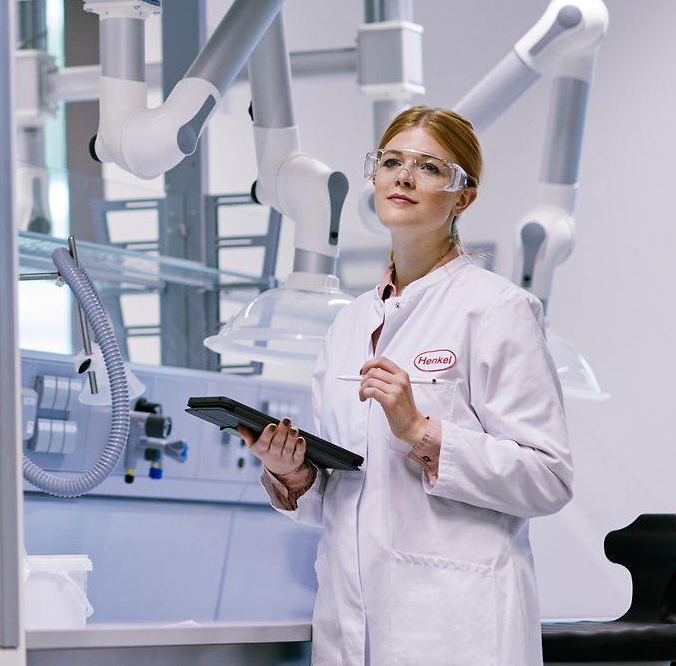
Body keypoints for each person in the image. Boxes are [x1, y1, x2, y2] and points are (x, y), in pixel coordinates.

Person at [238, 105, 574, 665]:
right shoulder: (348, 324)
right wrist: (294, 474)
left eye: (429, 167)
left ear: (462, 197)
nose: (405, 177)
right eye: (392, 161)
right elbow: (348, 492)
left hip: (456, 627)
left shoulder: (496, 309)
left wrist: (422, 431)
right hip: (350, 626)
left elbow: (549, 478)